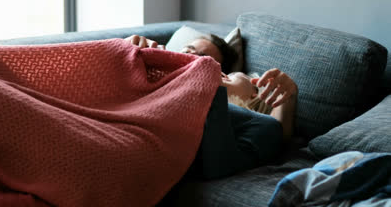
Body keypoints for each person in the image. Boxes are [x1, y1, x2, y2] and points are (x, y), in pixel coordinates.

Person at [124, 34, 298, 179]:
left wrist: (287, 98)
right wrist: (126, 49)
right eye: (187, 51)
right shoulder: (156, 70)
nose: (193, 60)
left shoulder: (258, 124)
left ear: (253, 94)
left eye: (225, 76)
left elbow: (276, 133)